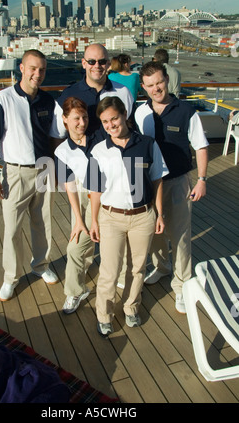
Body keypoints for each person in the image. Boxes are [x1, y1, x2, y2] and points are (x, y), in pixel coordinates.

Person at [0, 49, 59, 302]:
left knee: (43, 223)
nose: (38, 74)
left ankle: (41, 266)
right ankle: (11, 277)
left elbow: (56, 138)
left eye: (42, 70)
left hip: (44, 168)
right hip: (15, 171)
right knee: (12, 228)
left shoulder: (49, 102)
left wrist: (55, 167)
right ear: (22, 69)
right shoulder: (3, 99)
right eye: (33, 68)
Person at [87, 96, 168, 337]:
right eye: (105, 122)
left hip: (143, 216)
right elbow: (95, 189)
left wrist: (159, 214)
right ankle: (104, 314)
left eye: (114, 118)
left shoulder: (148, 144)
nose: (111, 125)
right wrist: (94, 220)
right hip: (111, 217)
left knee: (137, 268)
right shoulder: (98, 151)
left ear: (125, 115)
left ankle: (131, 307)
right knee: (110, 271)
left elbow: (157, 179)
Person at [135, 61, 209, 313]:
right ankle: (162, 267)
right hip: (149, 184)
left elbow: (200, 146)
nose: (156, 88)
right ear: (143, 87)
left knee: (180, 237)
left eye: (159, 82)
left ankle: (182, 285)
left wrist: (202, 179)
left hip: (177, 182)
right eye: (150, 85)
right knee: (154, 233)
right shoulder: (139, 113)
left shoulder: (187, 111)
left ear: (167, 80)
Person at [54, 97, 102, 314]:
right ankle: (75, 291)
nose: (82, 122)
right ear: (65, 120)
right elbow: (70, 186)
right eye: (76, 118)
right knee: (74, 247)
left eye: (84, 117)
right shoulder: (62, 151)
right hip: (82, 196)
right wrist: (79, 220)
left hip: (107, 194)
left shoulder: (100, 138)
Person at [51, 43, 135, 139]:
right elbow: (57, 135)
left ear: (108, 64)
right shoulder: (68, 94)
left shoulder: (123, 92)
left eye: (102, 61)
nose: (97, 66)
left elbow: (131, 129)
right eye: (91, 61)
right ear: (84, 63)